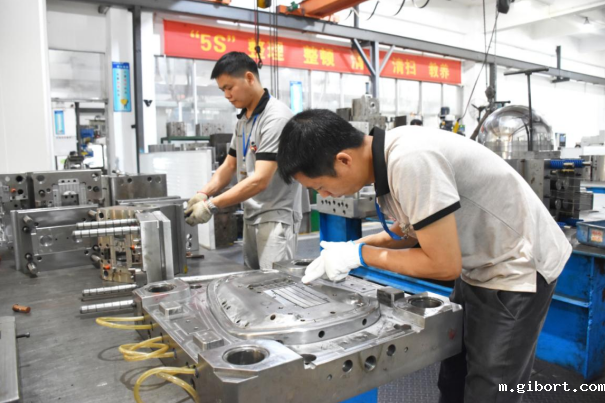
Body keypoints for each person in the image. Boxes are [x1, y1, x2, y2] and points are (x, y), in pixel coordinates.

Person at [276, 109, 571, 403]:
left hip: (517, 266)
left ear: (343, 160)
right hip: (480, 262)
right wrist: (352, 246)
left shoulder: (409, 159)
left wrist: (360, 255)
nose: (325, 196)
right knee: (454, 376)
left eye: (320, 187)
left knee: (491, 387)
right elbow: (411, 229)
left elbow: (443, 265)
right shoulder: (387, 159)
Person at [186, 52, 304, 270]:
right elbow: (229, 165)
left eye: (229, 87)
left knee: (275, 282)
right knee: (253, 280)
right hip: (252, 213)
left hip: (275, 216)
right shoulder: (244, 119)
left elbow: (260, 180)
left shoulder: (276, 118)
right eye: (222, 90)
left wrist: (211, 205)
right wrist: (203, 193)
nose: (227, 95)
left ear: (249, 78)